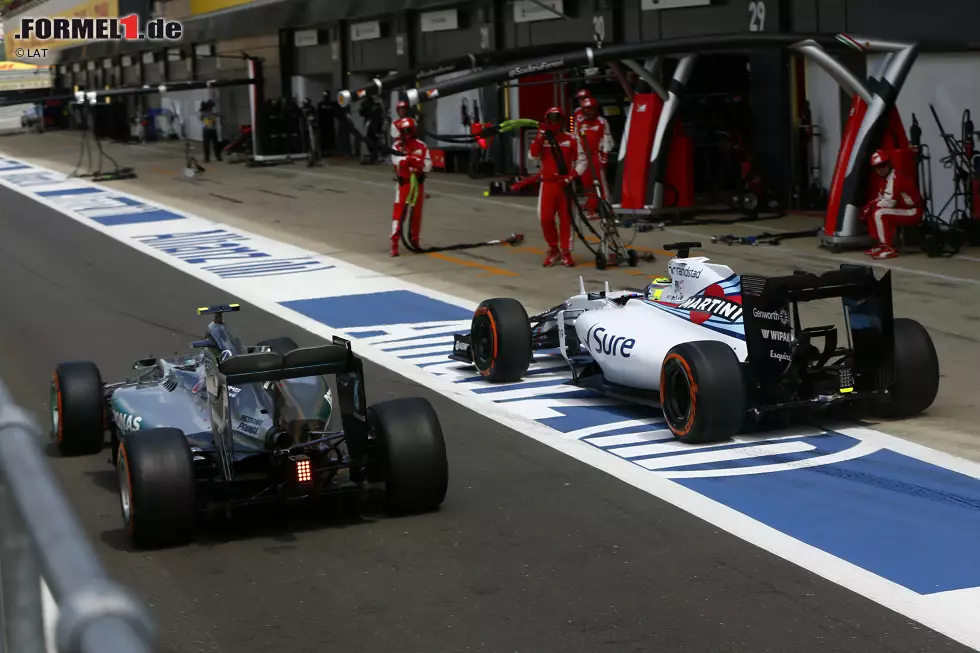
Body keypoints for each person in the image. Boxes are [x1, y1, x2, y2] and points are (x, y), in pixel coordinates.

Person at [529, 107, 578, 267]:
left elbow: (582, 161)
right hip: (547, 185)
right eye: (552, 119)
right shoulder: (542, 140)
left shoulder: (571, 139)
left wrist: (571, 177)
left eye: (558, 119)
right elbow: (533, 155)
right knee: (545, 219)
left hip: (566, 185)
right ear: (547, 121)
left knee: (566, 220)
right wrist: (540, 135)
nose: (555, 122)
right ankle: (553, 249)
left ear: (562, 121)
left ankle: (566, 252)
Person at [861, 149, 923, 259]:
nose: (880, 169)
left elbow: (889, 202)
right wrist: (870, 206)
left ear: (888, 164)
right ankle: (880, 245)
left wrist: (874, 205)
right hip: (902, 209)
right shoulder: (884, 178)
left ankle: (888, 248)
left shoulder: (895, 177)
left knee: (879, 213)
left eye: (883, 165)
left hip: (913, 211)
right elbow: (882, 198)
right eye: (877, 167)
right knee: (872, 209)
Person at [390, 116, 432, 257]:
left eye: (410, 130)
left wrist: (415, 163)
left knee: (417, 214)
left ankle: (415, 240)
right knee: (399, 214)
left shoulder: (422, 145)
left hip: (418, 185)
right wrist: (412, 160)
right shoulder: (396, 147)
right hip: (404, 185)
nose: (408, 133)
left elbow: (427, 165)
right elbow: (398, 162)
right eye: (405, 131)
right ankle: (394, 242)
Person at [575, 96, 615, 218]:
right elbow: (574, 136)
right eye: (585, 109)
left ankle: (606, 208)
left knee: (601, 184)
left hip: (596, 156)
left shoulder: (602, 122)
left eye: (590, 109)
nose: (588, 111)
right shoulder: (578, 119)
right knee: (587, 184)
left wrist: (604, 157)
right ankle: (592, 209)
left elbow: (607, 140)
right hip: (583, 158)